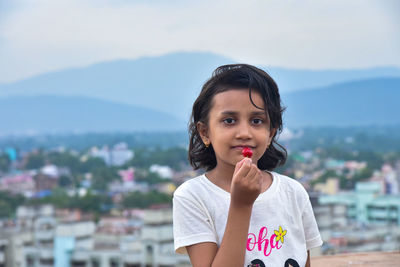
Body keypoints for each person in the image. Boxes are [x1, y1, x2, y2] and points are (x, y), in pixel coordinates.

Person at [173, 64, 322, 267]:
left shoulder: (293, 192)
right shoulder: (193, 197)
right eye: (229, 120)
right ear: (205, 132)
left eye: (257, 121)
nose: (244, 132)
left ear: (271, 133)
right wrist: (241, 205)